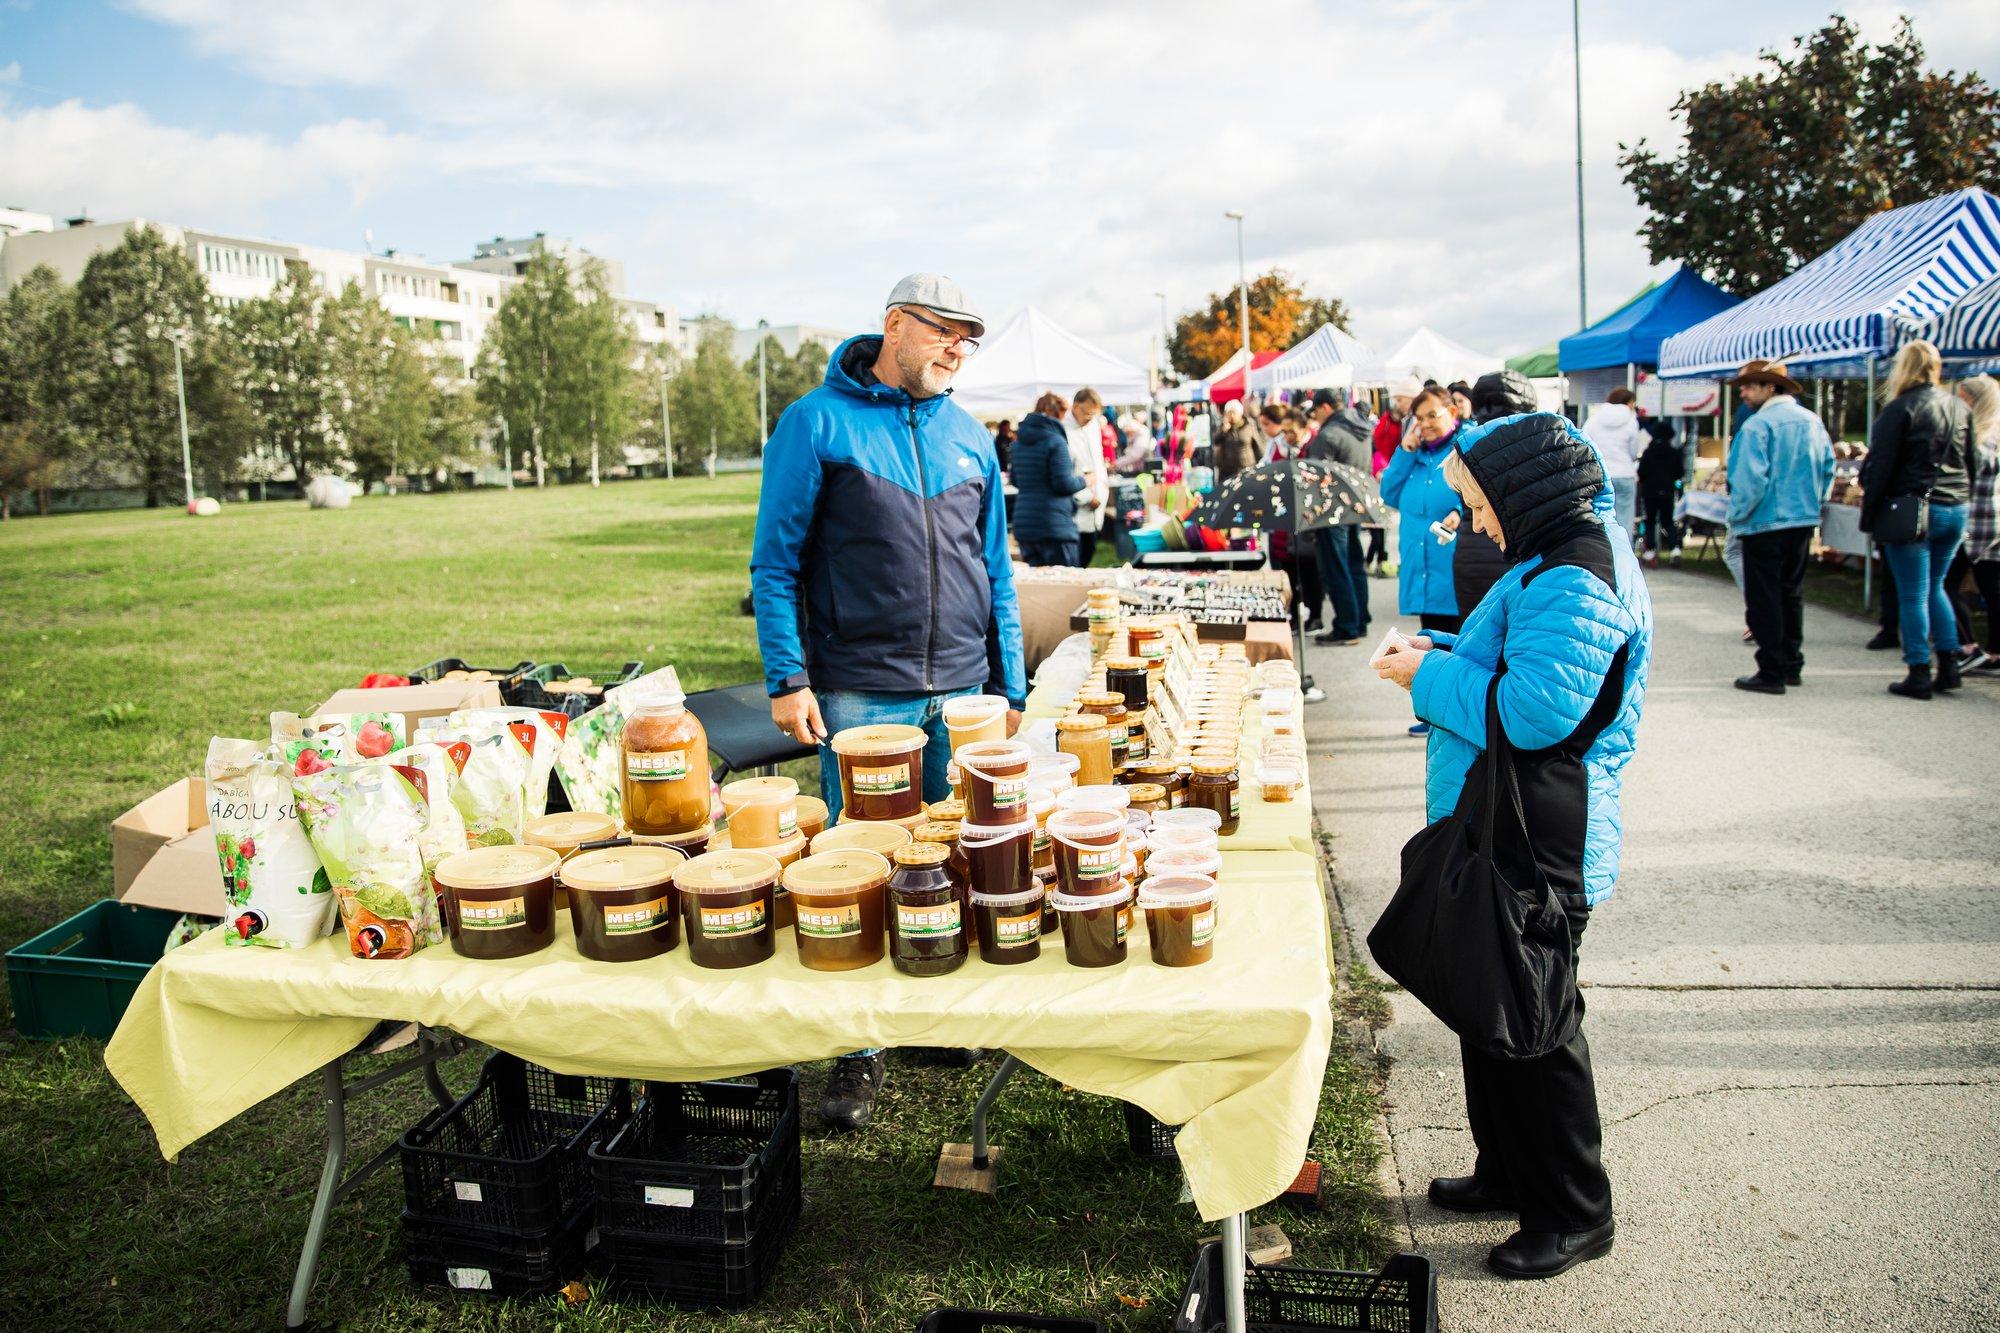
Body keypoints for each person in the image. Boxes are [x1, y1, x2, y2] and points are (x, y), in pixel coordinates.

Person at [1372, 408, 1650, 1281]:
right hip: (1507, 822)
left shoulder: (1580, 574)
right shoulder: (1550, 555)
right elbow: (1518, 659)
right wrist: (1444, 646)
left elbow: (1532, 715)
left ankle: (1574, 1209)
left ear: (1522, 491)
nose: (1480, 521)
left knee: (1538, 1022)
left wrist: (1426, 676)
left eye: (1481, 502)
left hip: (1545, 833)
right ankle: (1507, 1169)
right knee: (1489, 1000)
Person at [750, 274, 1025, 1132]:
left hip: (964, 691)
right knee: (857, 864)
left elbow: (997, 571)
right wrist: (788, 678)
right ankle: (856, 1045)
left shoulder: (970, 435)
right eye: (945, 333)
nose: (956, 351)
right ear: (895, 325)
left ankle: (934, 1015)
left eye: (967, 341)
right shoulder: (814, 422)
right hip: (861, 690)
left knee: (952, 858)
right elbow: (775, 563)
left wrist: (1009, 682)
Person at [1861, 340, 1977, 698]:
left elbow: (1880, 468)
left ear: (1903, 368)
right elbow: (1971, 462)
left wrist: (1870, 516)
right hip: (1955, 506)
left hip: (1913, 510)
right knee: (1937, 586)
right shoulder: (1959, 407)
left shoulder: (1898, 410)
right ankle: (1950, 663)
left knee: (1912, 593)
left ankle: (1918, 671)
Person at [1722, 360, 1834, 694]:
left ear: (1770, 388)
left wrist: (1737, 515)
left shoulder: (1758, 427)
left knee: (1764, 596)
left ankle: (1771, 669)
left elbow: (1749, 481)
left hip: (1764, 520)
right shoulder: (1812, 422)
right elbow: (1827, 468)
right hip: (1802, 518)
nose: (1742, 391)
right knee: (1791, 592)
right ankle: (1791, 663)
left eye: (1749, 385)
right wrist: (1815, 503)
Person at [1380, 386, 1467, 736]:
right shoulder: (1413, 458)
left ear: (1452, 414)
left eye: (1434, 415)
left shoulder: (1463, 451)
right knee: (1427, 637)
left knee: (1455, 640)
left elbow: (1481, 495)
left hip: (1453, 563)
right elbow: (1388, 493)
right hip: (1420, 563)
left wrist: (1460, 511)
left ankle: (1455, 715)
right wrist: (1404, 450)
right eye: (1420, 418)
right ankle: (1432, 714)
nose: (1427, 424)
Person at [1452, 370, 1539, 619]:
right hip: (1516, 551)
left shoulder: (1467, 446)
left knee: (1474, 637)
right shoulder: (1538, 448)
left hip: (1470, 550)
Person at [1303, 388, 1375, 645]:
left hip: (1332, 511)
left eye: (1315, 410)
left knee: (1336, 569)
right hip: (1356, 505)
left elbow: (1313, 478)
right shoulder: (1362, 427)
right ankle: (1360, 620)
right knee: (1355, 565)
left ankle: (1347, 626)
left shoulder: (1329, 434)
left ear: (1324, 407)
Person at [1954, 375, 2000, 672]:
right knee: (1992, 588)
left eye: (1961, 397)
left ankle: (1967, 645)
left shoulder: (1977, 439)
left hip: (1973, 524)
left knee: (1942, 584)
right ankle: (1995, 653)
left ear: (1973, 401)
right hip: (1992, 524)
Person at [1010, 393, 1087, 568]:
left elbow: (1015, 479)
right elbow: (1063, 484)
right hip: (1054, 525)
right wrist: (1085, 480)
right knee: (1066, 586)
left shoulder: (1018, 443)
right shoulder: (1055, 441)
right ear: (1058, 413)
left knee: (1039, 588)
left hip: (1026, 524)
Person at [1582, 387, 1645, 537]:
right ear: (1627, 403)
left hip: (1599, 475)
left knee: (1599, 519)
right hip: (1624, 474)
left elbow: (1584, 447)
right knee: (1625, 522)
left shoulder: (1594, 420)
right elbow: (1633, 451)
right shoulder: (1631, 421)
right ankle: (1625, 557)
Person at [1066, 387, 1111, 567]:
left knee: (1089, 550)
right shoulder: (1063, 429)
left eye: (1093, 415)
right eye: (1086, 413)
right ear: (1075, 407)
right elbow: (1066, 472)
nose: (1088, 418)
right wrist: (1085, 497)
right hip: (1077, 505)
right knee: (1077, 558)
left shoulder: (1092, 426)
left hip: (1096, 500)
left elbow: (1097, 460)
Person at [1636, 416, 1683, 565]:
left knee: (1650, 520)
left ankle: (1650, 550)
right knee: (1668, 520)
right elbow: (1679, 472)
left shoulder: (1648, 452)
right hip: (1667, 490)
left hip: (1650, 490)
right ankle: (1675, 547)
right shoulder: (1673, 452)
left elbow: (1641, 471)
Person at [1212, 398, 1261, 485]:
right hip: (1227, 469)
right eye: (1229, 413)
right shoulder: (1223, 427)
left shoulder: (1249, 425)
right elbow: (1216, 441)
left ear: (1240, 413)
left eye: (1234, 412)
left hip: (1247, 466)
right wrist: (1224, 430)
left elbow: (1257, 445)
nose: (1232, 416)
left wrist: (1260, 464)